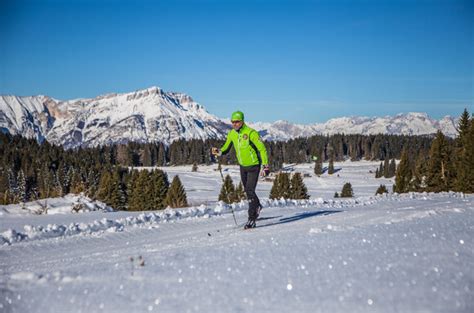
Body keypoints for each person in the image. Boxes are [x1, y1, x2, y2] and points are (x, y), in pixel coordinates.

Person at [212, 111, 270, 229]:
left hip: (254, 166)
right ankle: (257, 206)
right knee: (248, 191)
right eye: (233, 122)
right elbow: (226, 148)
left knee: (249, 190)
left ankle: (252, 218)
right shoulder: (232, 134)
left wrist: (265, 165)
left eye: (237, 121)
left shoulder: (251, 133)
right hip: (243, 167)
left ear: (242, 121)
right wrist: (219, 151)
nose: (235, 124)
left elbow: (262, 149)